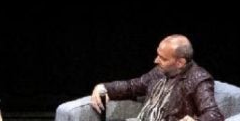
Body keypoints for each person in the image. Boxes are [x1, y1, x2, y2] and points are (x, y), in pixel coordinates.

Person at [89, 34, 223, 121]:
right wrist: (104, 87)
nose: (156, 60)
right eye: (158, 55)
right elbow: (132, 86)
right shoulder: (159, 72)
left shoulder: (198, 79)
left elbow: (214, 115)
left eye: (163, 58)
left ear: (180, 62)